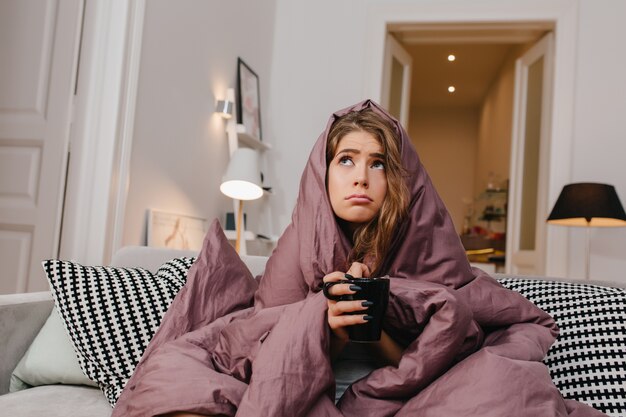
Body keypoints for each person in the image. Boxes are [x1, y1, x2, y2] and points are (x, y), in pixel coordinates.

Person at [113, 100, 606, 417]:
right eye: (346, 160)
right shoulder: (298, 242)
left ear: (397, 177)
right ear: (325, 172)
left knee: (504, 386)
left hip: (407, 394)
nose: (360, 177)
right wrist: (320, 322)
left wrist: (377, 320)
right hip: (306, 389)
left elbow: (450, 344)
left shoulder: (424, 241)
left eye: (378, 164)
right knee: (172, 374)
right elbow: (261, 348)